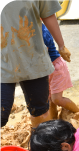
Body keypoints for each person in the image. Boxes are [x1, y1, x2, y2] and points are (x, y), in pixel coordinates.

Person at [0, 0, 71, 128]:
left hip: (33, 60)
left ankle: (39, 145)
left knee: (40, 112)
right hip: (2, 62)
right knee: (1, 114)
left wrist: (61, 45)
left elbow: (48, 13)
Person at [42, 23, 79, 119]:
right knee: (50, 100)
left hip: (56, 68)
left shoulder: (42, 31)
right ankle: (54, 121)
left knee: (57, 99)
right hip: (45, 70)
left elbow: (40, 54)